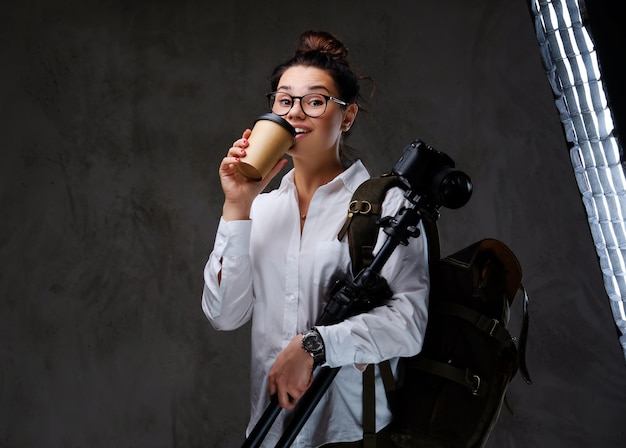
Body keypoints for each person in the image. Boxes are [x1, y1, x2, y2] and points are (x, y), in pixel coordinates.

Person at [202, 30, 430, 448]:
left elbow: (409, 324)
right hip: (270, 431)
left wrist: (315, 346)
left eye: (315, 101)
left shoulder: (386, 205)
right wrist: (237, 206)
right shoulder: (262, 209)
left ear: (347, 116)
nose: (295, 113)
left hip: (350, 433)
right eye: (284, 100)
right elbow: (224, 315)